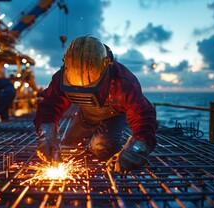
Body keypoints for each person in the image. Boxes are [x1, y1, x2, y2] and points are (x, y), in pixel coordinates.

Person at [33, 35, 158, 172]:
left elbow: (144, 117)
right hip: (86, 116)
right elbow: (49, 105)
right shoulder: (62, 77)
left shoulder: (124, 82)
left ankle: (109, 154)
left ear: (106, 69)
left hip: (113, 116)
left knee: (101, 147)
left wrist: (135, 150)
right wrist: (47, 137)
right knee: (67, 147)